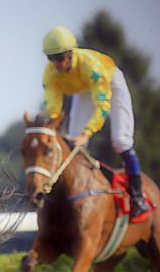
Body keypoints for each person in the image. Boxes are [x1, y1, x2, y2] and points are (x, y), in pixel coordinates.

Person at [41, 26, 151, 219]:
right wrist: (49, 126)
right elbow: (53, 108)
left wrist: (87, 133)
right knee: (74, 144)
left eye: (59, 58)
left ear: (70, 54)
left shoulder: (92, 66)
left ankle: (138, 196)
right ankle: (79, 193)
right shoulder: (50, 74)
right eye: (51, 58)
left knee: (120, 140)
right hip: (83, 90)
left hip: (110, 84)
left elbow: (102, 106)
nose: (56, 64)